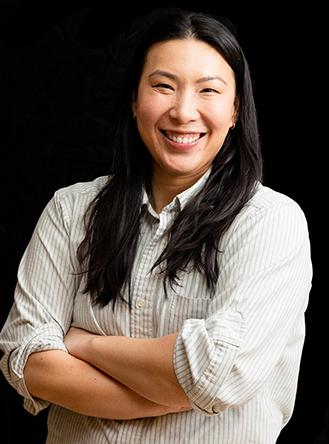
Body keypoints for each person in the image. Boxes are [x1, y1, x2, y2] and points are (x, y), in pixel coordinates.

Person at [0, 9, 312, 444]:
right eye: (163, 86)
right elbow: (26, 358)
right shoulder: (71, 211)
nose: (184, 112)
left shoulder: (271, 222)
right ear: (133, 98)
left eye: (209, 90)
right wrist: (169, 390)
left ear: (236, 107)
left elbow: (217, 375)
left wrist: (86, 345)